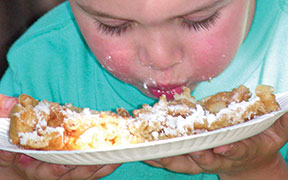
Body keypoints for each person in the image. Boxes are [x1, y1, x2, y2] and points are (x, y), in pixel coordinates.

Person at [0, 0, 288, 179]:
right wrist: (14, 173)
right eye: (113, 25)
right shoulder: (38, 71)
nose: (160, 59)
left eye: (198, 20)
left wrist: (256, 169)